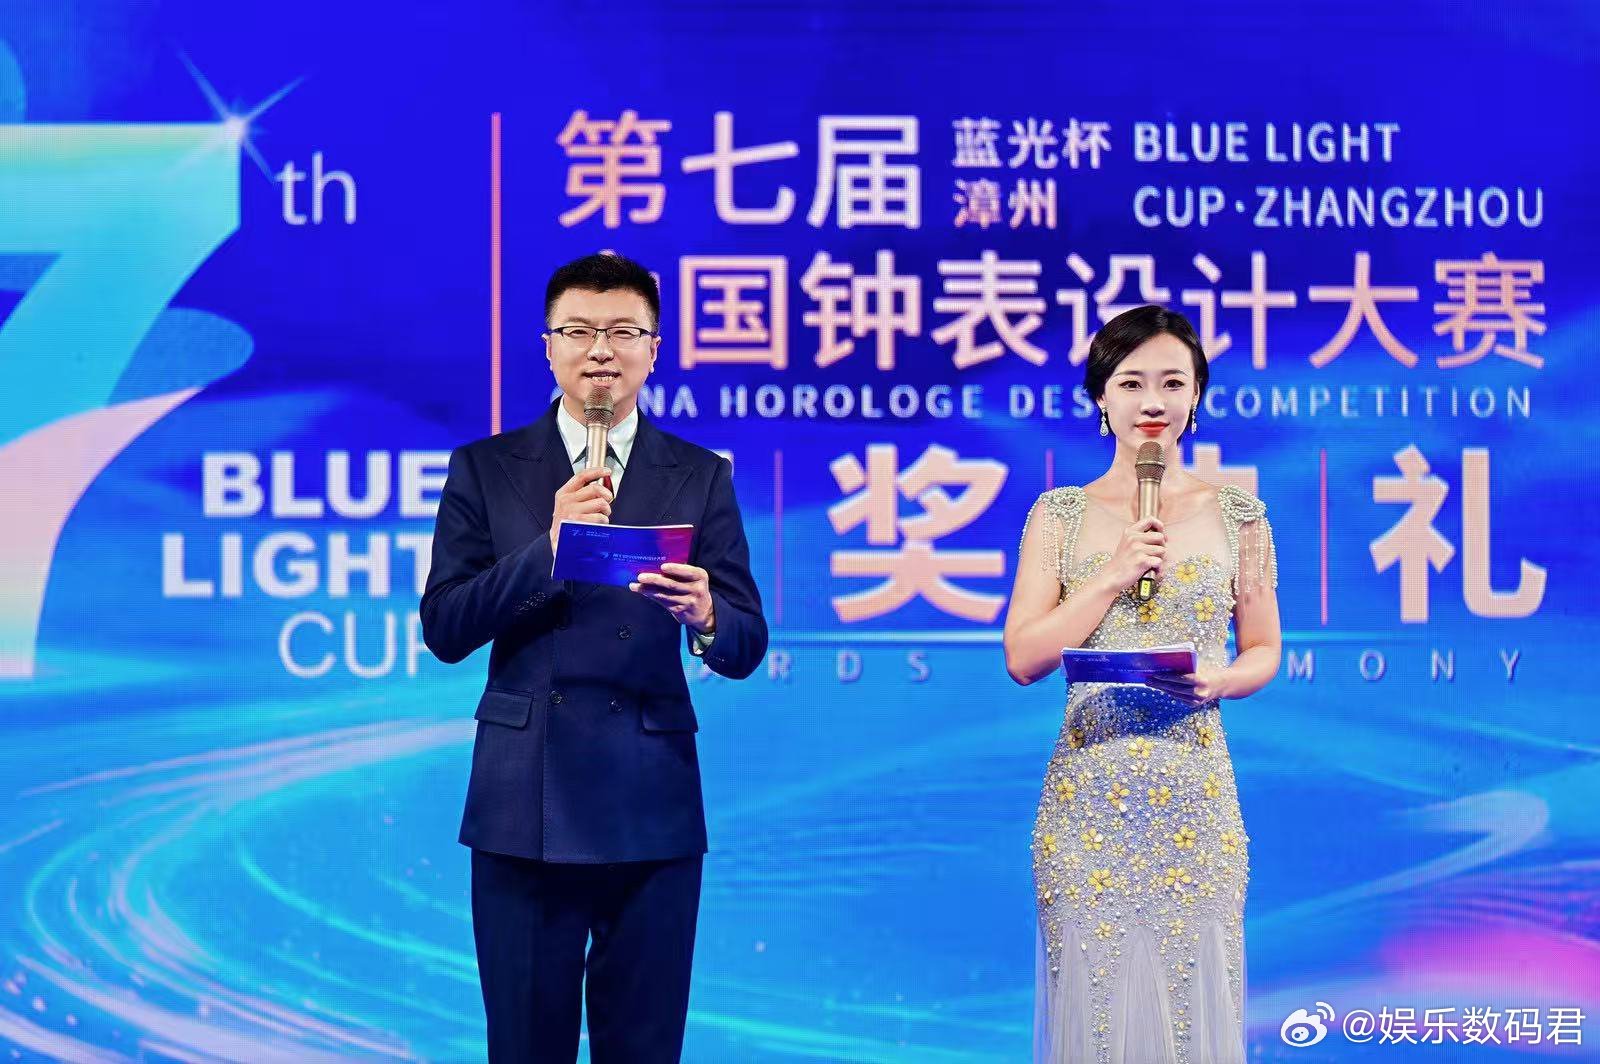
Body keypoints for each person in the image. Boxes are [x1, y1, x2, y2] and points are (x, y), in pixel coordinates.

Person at [420, 252, 768, 1063]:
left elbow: (747, 641)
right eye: (578, 331)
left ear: (654, 349)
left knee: (644, 1046)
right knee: (525, 1045)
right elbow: (445, 628)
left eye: (623, 332)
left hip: (650, 799)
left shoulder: (699, 476)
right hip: (524, 799)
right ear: (548, 347)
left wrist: (707, 615)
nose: (601, 350)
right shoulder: (486, 468)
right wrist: (547, 548)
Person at [1002, 304, 1282, 1064]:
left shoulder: (1241, 516)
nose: (1152, 401)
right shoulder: (1058, 516)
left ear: (1196, 397)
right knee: (1094, 1013)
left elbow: (1264, 648)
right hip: (1088, 797)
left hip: (1195, 790)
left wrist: (1222, 679)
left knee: (1193, 1011)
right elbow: (1023, 656)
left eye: (1172, 383)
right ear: (1102, 396)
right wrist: (1111, 577)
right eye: (1131, 383)